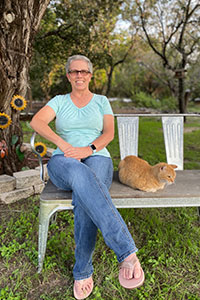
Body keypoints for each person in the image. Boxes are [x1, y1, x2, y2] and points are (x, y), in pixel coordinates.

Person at [30, 55, 144, 299]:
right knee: (82, 176)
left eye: (83, 71)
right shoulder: (59, 101)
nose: (79, 75)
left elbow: (109, 133)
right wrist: (63, 144)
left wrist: (88, 149)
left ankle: (82, 271)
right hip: (64, 160)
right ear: (68, 76)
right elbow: (37, 121)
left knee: (85, 194)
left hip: (98, 157)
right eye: (73, 71)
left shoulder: (102, 101)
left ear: (90, 75)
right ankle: (126, 252)